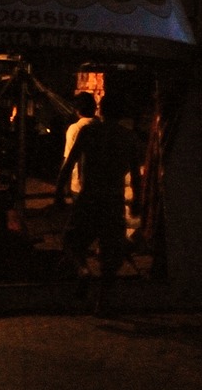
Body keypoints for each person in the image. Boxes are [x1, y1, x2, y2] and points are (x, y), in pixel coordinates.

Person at [55, 103, 143, 307]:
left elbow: (69, 164)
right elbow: (136, 175)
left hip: (89, 196)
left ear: (100, 111)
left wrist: (59, 191)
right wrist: (137, 200)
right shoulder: (128, 137)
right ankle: (102, 302)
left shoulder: (89, 131)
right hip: (113, 199)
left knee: (71, 239)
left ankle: (83, 270)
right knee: (110, 253)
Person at [61, 93, 99, 196]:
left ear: (77, 110)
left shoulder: (75, 129)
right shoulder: (103, 128)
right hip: (101, 184)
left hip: (79, 185)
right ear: (95, 107)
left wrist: (63, 187)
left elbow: (68, 159)